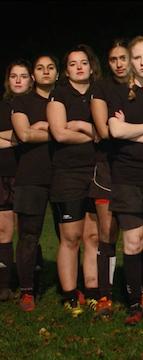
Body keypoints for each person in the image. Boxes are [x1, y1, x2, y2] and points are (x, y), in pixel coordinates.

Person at [108, 36, 143, 325]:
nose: (142, 62)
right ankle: (133, 304)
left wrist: (132, 128)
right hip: (126, 175)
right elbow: (115, 131)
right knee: (132, 243)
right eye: (136, 57)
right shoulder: (118, 93)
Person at [47, 44, 102, 316]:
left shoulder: (100, 92)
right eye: (72, 63)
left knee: (93, 235)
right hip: (67, 173)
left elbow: (104, 132)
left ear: (92, 66)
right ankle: (70, 294)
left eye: (83, 62)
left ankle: (92, 291)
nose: (79, 67)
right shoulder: (59, 95)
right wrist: (94, 134)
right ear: (66, 70)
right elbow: (59, 134)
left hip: (96, 172)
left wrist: (81, 126)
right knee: (71, 237)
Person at [11, 55, 58, 311]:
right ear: (34, 75)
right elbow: (24, 134)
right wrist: (59, 131)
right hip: (31, 178)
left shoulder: (64, 99)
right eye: (40, 68)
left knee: (69, 237)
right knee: (29, 235)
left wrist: (41, 127)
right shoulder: (22, 101)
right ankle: (27, 290)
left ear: (57, 73)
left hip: (63, 175)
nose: (45, 72)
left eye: (50, 67)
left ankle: (71, 288)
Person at [89, 40, 131, 315]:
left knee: (139, 235)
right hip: (107, 169)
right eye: (113, 58)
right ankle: (106, 294)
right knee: (107, 233)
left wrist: (123, 125)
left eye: (123, 58)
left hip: (139, 168)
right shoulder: (101, 88)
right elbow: (104, 131)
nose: (118, 63)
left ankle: (139, 292)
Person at [0, 60, 33, 301]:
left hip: (29, 174)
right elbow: (26, 135)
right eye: (14, 76)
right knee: (3, 230)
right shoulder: (2, 106)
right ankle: (3, 285)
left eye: (23, 75)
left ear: (31, 79)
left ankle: (30, 282)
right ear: (8, 80)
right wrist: (22, 135)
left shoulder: (37, 105)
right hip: (3, 174)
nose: (19, 80)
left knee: (28, 230)